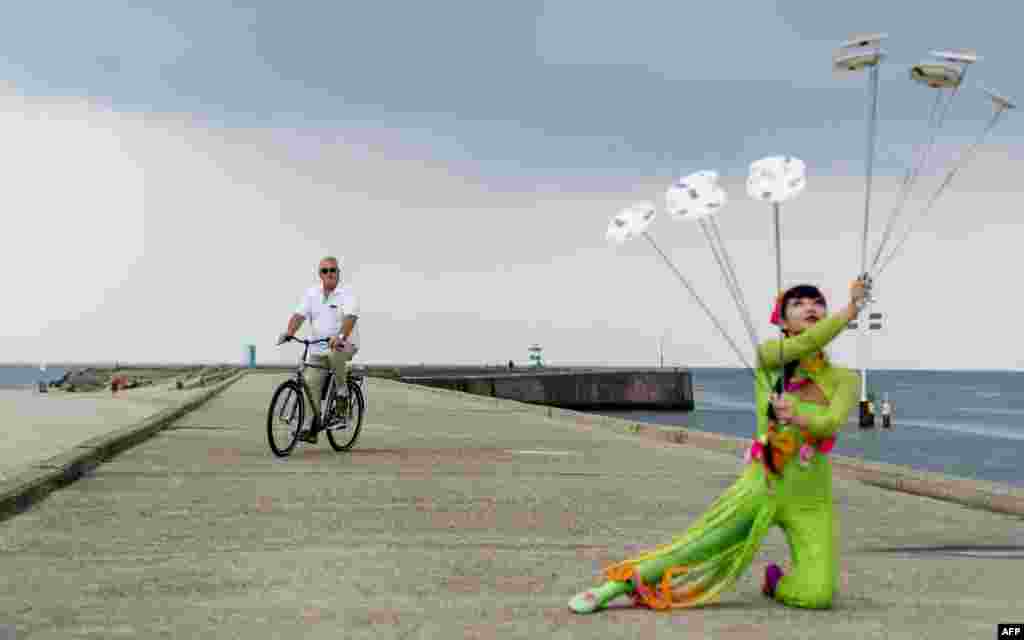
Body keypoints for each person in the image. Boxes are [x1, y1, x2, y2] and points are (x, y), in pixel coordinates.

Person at [568, 277, 866, 613]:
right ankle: (614, 586)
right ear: (782, 322)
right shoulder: (771, 357)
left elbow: (829, 424)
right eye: (798, 303)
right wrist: (851, 309)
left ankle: (775, 582)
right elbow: (808, 343)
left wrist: (797, 413)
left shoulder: (846, 378)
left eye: (817, 302)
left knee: (817, 595)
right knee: (698, 545)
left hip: (811, 497)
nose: (810, 307)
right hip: (764, 484)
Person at [278, 256, 360, 444]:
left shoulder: (346, 293)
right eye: (325, 271)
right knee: (309, 382)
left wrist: (340, 337)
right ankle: (310, 427)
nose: (329, 273)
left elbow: (350, 318)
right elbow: (299, 315)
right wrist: (289, 332)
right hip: (317, 348)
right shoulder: (311, 293)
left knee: (334, 353)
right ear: (320, 274)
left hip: (345, 344)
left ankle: (342, 395)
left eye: (333, 270)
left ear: (338, 273)